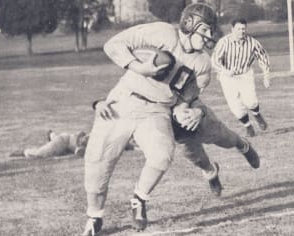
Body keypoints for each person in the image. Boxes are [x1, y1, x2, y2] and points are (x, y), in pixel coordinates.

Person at [81, 3, 220, 235]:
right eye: (205, 29)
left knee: (162, 154)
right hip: (124, 100)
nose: (209, 36)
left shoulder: (203, 63)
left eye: (210, 31)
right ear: (189, 23)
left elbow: (189, 97)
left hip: (157, 110)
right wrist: (139, 67)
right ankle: (95, 217)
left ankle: (139, 198)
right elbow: (113, 44)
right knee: (97, 163)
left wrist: (192, 110)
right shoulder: (163, 32)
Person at [212, 18, 271, 137]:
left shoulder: (252, 42)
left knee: (251, 101)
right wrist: (225, 71)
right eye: (238, 29)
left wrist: (266, 75)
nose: (241, 31)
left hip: (245, 74)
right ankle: (248, 127)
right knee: (235, 106)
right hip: (228, 77)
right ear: (232, 29)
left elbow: (263, 57)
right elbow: (214, 60)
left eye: (244, 29)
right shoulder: (224, 42)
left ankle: (257, 115)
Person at [9, 130, 88, 158]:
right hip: (64, 141)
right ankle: (24, 152)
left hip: (67, 144)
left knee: (57, 146)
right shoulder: (92, 136)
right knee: (40, 154)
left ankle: (52, 135)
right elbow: (80, 134)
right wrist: (80, 145)